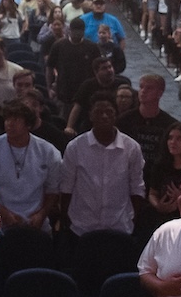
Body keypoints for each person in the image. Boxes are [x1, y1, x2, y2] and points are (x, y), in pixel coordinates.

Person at [58, 95, 147, 237]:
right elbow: (66, 187)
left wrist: (133, 217)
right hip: (81, 227)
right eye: (99, 112)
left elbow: (137, 187)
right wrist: (66, 221)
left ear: (116, 114)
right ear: (90, 116)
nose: (104, 116)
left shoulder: (131, 148)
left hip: (119, 226)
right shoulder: (76, 147)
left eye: (109, 112)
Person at [0, 99, 62, 230]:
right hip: (0, 225)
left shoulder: (48, 152)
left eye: (16, 119)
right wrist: (3, 214)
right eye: (7, 119)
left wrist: (41, 215)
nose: (10, 124)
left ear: (28, 124)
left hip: (37, 225)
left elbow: (52, 190)